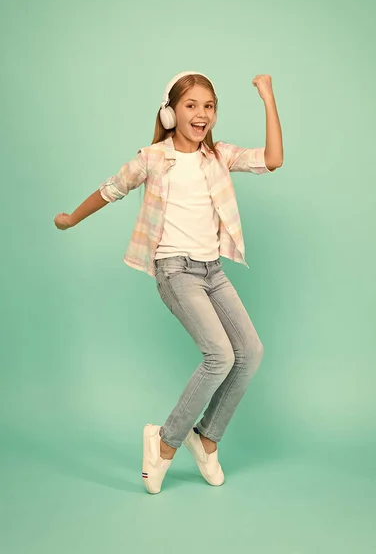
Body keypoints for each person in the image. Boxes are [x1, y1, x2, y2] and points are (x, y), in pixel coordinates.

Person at [54, 70, 283, 495]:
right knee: (219, 355)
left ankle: (207, 437)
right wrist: (70, 218)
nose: (201, 114)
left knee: (249, 352)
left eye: (209, 106)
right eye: (191, 105)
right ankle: (164, 444)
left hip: (212, 270)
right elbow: (111, 189)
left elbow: (272, 159)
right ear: (170, 111)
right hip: (174, 271)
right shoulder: (152, 158)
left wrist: (267, 97)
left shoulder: (219, 157)